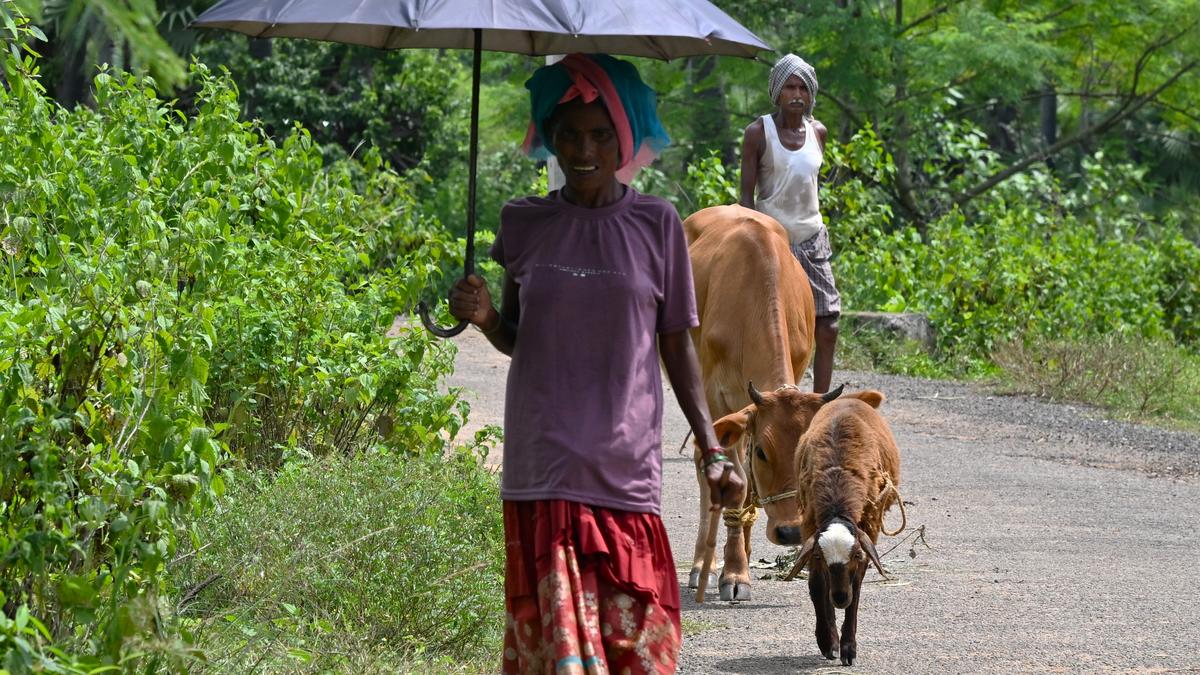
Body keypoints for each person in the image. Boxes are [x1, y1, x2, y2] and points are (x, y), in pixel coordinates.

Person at [447, 53, 745, 674]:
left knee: (639, 647)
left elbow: (676, 344)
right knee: (559, 655)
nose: (584, 150)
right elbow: (516, 337)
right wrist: (485, 319)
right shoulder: (524, 221)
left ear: (626, 138)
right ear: (550, 138)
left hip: (622, 463)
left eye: (600, 134)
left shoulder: (657, 224)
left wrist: (714, 448)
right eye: (570, 134)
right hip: (544, 464)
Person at [739, 53, 841, 394]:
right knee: (772, 325)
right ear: (777, 92)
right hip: (773, 240)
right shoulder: (758, 132)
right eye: (789, 87)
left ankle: (818, 402)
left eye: (803, 88)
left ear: (811, 95)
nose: (796, 94)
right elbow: (746, 197)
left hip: (811, 238)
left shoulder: (818, 133)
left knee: (827, 325)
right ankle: (770, 396)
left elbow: (812, 186)